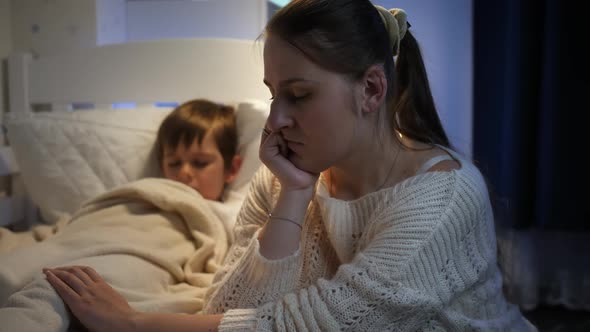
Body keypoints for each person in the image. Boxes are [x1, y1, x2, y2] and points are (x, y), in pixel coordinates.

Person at [43, 1, 536, 331]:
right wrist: (294, 197)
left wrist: (133, 323)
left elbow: (316, 324)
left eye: (298, 95)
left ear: (370, 90)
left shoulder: (443, 199)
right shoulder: (283, 177)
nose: (276, 119)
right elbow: (226, 308)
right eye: (273, 94)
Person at [155, 98, 243, 201]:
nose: (184, 173)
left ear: (231, 169)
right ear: (162, 169)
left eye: (200, 163)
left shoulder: (242, 214)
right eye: (174, 163)